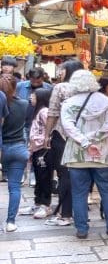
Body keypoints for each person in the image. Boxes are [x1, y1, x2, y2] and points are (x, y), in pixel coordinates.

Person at [60, 70, 108, 240]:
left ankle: (81, 229)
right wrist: (96, 138)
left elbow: (68, 127)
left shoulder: (69, 103)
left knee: (79, 193)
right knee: (107, 192)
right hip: (104, 155)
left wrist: (85, 142)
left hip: (77, 156)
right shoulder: (107, 102)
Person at [44, 59, 84, 226]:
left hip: (62, 134)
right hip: (83, 136)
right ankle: (77, 212)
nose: (60, 73)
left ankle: (65, 213)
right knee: (80, 175)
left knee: (64, 174)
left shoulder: (60, 88)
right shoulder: (88, 89)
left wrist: (46, 135)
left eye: (62, 70)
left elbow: (53, 113)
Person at [0, 76, 29, 232]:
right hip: (18, 148)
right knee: (14, 187)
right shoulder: (24, 104)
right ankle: (10, 221)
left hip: (2, 147)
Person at [28, 87, 54, 219]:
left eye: (33, 96)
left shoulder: (44, 112)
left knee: (44, 178)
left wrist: (46, 140)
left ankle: (46, 205)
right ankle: (38, 202)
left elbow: (51, 128)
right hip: (37, 149)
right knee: (39, 177)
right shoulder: (38, 111)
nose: (31, 98)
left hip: (44, 149)